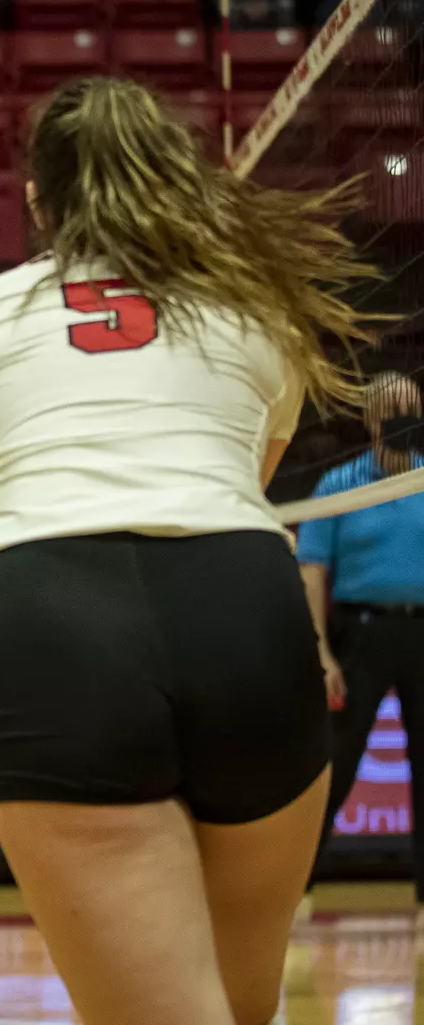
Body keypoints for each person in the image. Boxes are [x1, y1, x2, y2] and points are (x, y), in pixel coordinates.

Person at [0, 75, 378, 1025]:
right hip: (239, 603)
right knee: (244, 1006)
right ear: (171, 176)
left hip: (50, 610)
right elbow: (247, 477)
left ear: (38, 199)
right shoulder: (255, 312)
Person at [298, 372, 424, 927]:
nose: (402, 420)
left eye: (411, 409)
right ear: (371, 420)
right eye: (392, 411)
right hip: (359, 634)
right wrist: (320, 652)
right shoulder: (339, 484)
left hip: (420, 632)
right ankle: (296, 889)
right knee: (335, 765)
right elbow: (311, 570)